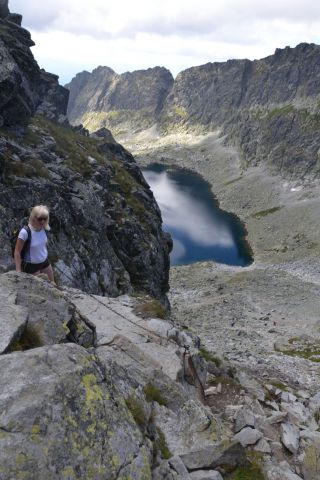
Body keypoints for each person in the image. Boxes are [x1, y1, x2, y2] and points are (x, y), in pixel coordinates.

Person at [14, 205, 54, 282]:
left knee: (53, 285)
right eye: (40, 219)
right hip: (31, 266)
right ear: (33, 217)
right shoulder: (25, 232)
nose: (42, 221)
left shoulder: (45, 228)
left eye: (45, 219)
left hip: (45, 261)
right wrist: (18, 271)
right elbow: (17, 252)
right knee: (40, 289)